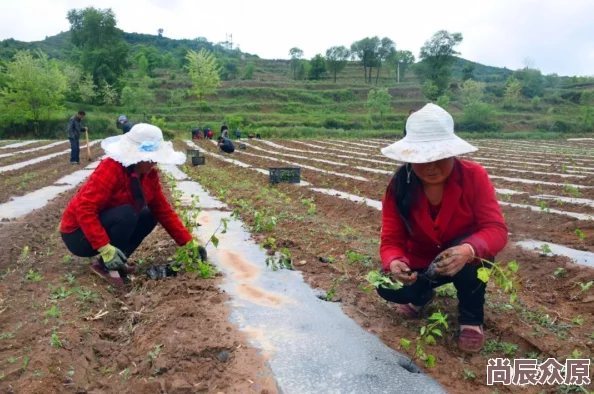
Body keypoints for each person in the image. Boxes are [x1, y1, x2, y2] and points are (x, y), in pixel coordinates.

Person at [378, 103, 507, 354]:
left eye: (439, 156)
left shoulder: (474, 176)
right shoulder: (399, 186)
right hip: (421, 262)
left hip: (464, 260)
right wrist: (394, 262)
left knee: (479, 256)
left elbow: (496, 229)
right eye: (422, 157)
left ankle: (471, 317)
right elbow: (391, 240)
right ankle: (421, 295)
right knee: (385, 285)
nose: (431, 166)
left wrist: (469, 249)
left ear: (453, 152)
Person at [60, 123, 203, 289]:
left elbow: (163, 211)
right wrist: (105, 248)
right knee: (127, 213)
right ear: (137, 154)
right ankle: (105, 265)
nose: (154, 162)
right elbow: (84, 209)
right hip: (78, 235)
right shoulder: (111, 168)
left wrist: (189, 244)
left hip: (104, 226)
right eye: (150, 158)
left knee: (149, 214)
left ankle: (119, 261)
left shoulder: (149, 176)